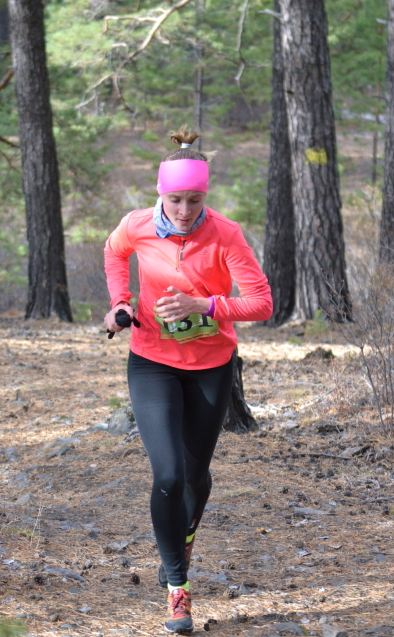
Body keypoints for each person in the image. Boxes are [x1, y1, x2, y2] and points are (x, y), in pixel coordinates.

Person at [104, 127, 273, 634]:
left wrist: (209, 305)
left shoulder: (225, 233)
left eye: (193, 199)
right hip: (152, 361)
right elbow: (114, 254)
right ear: (161, 193)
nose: (183, 210)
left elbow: (262, 303)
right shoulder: (136, 225)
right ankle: (178, 588)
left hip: (211, 368)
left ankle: (182, 540)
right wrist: (122, 303)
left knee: (197, 479)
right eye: (174, 199)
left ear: (206, 196)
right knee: (169, 476)